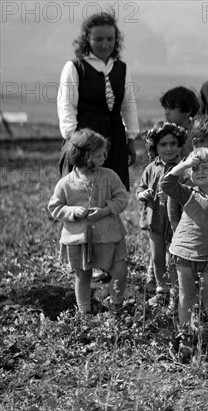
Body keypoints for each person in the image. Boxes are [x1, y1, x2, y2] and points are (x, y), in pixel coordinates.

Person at [161, 147, 208, 360]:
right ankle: (185, 335)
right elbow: (166, 184)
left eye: (205, 168)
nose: (200, 172)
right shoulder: (187, 194)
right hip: (185, 251)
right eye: (195, 169)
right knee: (186, 294)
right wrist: (184, 165)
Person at [48, 129, 129, 314]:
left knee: (120, 271)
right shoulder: (66, 183)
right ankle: (84, 311)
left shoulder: (110, 176)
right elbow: (54, 207)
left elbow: (122, 199)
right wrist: (73, 211)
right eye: (99, 155)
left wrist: (105, 211)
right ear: (84, 157)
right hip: (80, 239)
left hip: (110, 235)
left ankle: (116, 305)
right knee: (82, 275)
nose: (105, 157)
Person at [57, 11, 139, 190]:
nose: (105, 44)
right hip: (85, 138)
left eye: (110, 39)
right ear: (87, 39)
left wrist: (130, 140)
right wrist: (75, 141)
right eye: (98, 39)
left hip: (114, 136)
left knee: (111, 192)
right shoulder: (75, 67)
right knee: (81, 191)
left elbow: (128, 105)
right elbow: (66, 106)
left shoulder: (121, 68)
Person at [136, 122, 187, 307]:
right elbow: (140, 189)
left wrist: (175, 193)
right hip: (155, 219)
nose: (169, 148)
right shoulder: (151, 168)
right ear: (154, 147)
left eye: (173, 143)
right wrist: (144, 194)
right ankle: (161, 289)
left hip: (176, 222)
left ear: (180, 145)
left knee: (172, 258)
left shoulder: (183, 168)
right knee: (157, 257)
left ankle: (175, 291)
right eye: (163, 144)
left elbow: (190, 191)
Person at [159, 86, 200, 157]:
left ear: (187, 111)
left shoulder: (197, 134)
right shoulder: (161, 132)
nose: (166, 113)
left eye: (171, 108)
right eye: (165, 108)